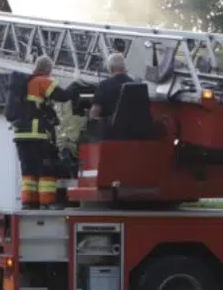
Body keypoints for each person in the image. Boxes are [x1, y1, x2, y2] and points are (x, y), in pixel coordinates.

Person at [9, 56, 74, 210]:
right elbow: (63, 96)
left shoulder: (23, 84)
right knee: (47, 168)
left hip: (20, 135)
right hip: (38, 135)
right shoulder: (42, 81)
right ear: (48, 69)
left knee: (28, 171)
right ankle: (47, 202)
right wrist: (76, 86)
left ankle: (28, 202)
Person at [88, 53, 134, 122]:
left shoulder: (104, 85)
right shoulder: (134, 84)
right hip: (130, 126)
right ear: (124, 67)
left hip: (110, 126)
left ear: (110, 68)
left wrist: (90, 120)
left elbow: (95, 110)